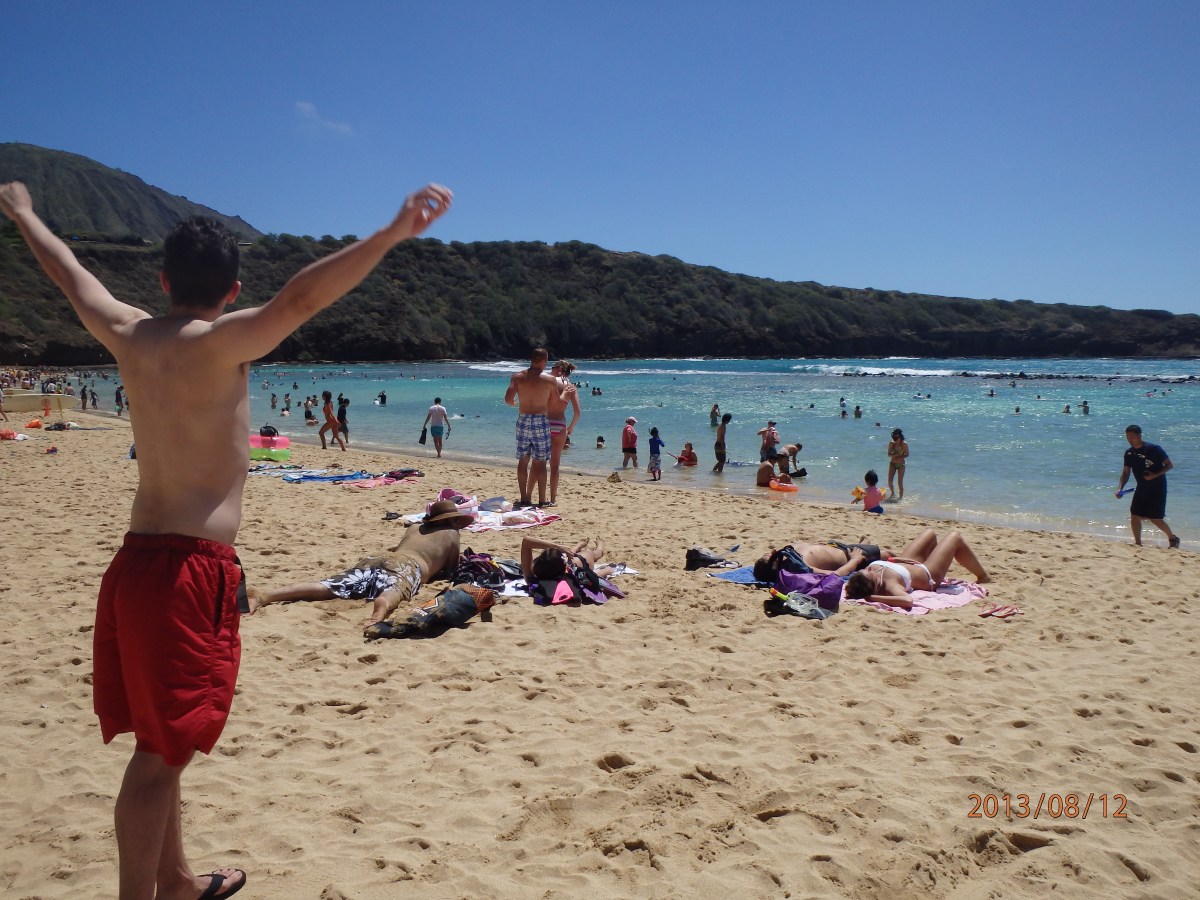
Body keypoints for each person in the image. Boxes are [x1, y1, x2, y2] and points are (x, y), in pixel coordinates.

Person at [0, 178, 451, 899]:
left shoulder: (127, 332)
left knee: (164, 741)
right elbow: (301, 299)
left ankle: (177, 880)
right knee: (158, 758)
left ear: (162, 280)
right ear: (233, 289)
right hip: (187, 571)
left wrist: (25, 214)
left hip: (134, 564)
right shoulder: (219, 345)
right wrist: (391, 233)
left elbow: (68, 273)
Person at [250, 499, 471, 634]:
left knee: (330, 585)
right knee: (395, 588)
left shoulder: (414, 528)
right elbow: (451, 570)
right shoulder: (451, 534)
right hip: (409, 565)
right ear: (451, 521)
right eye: (456, 520)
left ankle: (266, 595)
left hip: (380, 557)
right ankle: (382, 606)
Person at [843, 529, 990, 609]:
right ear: (875, 587)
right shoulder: (891, 586)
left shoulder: (866, 575)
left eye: (867, 569)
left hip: (903, 564)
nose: (870, 569)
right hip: (927, 574)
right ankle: (983, 577)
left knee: (929, 533)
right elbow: (907, 600)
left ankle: (934, 557)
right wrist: (872, 598)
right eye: (870, 573)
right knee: (954, 537)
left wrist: (895, 560)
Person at [504, 348, 563, 507]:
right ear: (544, 360)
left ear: (531, 359)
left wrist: (514, 403)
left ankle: (524, 498)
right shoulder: (549, 380)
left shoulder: (517, 377)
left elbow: (508, 399)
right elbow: (556, 402)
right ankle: (542, 500)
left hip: (523, 419)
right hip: (540, 420)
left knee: (523, 460)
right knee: (541, 462)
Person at [1117, 424, 1179, 548]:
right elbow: (1125, 473)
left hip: (1158, 488)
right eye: (1127, 437)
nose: (1130, 439)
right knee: (1134, 515)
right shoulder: (1129, 453)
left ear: (1140, 435)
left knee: (1155, 519)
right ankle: (1138, 543)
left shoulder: (1154, 449)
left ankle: (1173, 538)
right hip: (1141, 487)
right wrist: (1120, 488)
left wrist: (1154, 475)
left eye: (1132, 437)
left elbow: (1169, 465)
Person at [753, 539, 893, 583]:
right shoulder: (798, 568)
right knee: (889, 554)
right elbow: (836, 574)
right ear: (775, 565)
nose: (772, 552)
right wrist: (855, 560)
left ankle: (863, 542)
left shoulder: (787, 555)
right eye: (769, 556)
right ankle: (864, 544)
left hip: (836, 547)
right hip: (849, 555)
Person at [546, 360, 581, 506]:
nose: (550, 369)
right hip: (560, 424)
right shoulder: (571, 387)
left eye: (552, 367)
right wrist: (570, 428)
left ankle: (539, 497)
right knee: (555, 465)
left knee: (539, 462)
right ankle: (553, 499)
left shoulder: (549, 381)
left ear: (559, 368)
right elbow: (577, 413)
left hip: (545, 422)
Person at [887, 428, 909, 500]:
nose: (894, 437)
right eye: (893, 435)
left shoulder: (904, 444)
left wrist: (900, 457)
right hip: (892, 463)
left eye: (895, 435)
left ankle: (900, 498)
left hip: (901, 465)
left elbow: (907, 454)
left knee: (900, 482)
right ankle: (892, 493)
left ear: (899, 435)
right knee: (890, 481)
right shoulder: (892, 443)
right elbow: (889, 454)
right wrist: (896, 455)